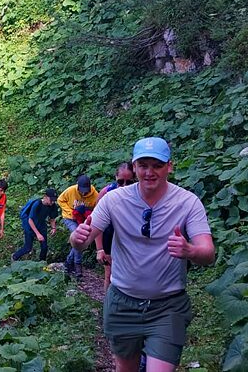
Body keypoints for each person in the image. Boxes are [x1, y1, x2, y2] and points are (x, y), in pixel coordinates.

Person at [70, 137, 215, 372]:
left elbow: (207, 252)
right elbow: (84, 239)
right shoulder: (113, 200)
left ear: (169, 166)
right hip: (122, 303)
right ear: (134, 167)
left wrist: (190, 250)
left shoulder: (188, 203)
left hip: (168, 307)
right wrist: (76, 240)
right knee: (125, 368)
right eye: (143, 165)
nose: (149, 172)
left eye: (157, 165)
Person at [98, 162, 136, 292]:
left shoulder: (140, 195)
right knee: (109, 274)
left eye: (129, 182)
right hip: (109, 238)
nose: (124, 186)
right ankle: (107, 307)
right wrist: (100, 249)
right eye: (120, 182)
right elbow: (96, 224)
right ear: (115, 178)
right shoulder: (106, 193)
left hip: (129, 241)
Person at [57, 174, 100, 278]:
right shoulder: (71, 190)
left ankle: (68, 262)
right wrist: (70, 212)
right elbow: (60, 200)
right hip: (70, 218)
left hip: (83, 220)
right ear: (78, 186)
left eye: (86, 190)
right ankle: (78, 266)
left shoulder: (95, 195)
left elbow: (97, 209)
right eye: (82, 190)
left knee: (80, 240)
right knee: (78, 236)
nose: (84, 192)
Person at [11, 189, 59, 261]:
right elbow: (30, 220)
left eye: (54, 200)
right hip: (30, 226)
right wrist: (37, 234)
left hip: (41, 225)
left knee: (44, 247)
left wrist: (53, 228)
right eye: (51, 199)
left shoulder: (53, 206)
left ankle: (42, 263)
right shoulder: (37, 204)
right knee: (28, 248)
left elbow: (52, 218)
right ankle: (14, 256)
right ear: (45, 197)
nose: (52, 202)